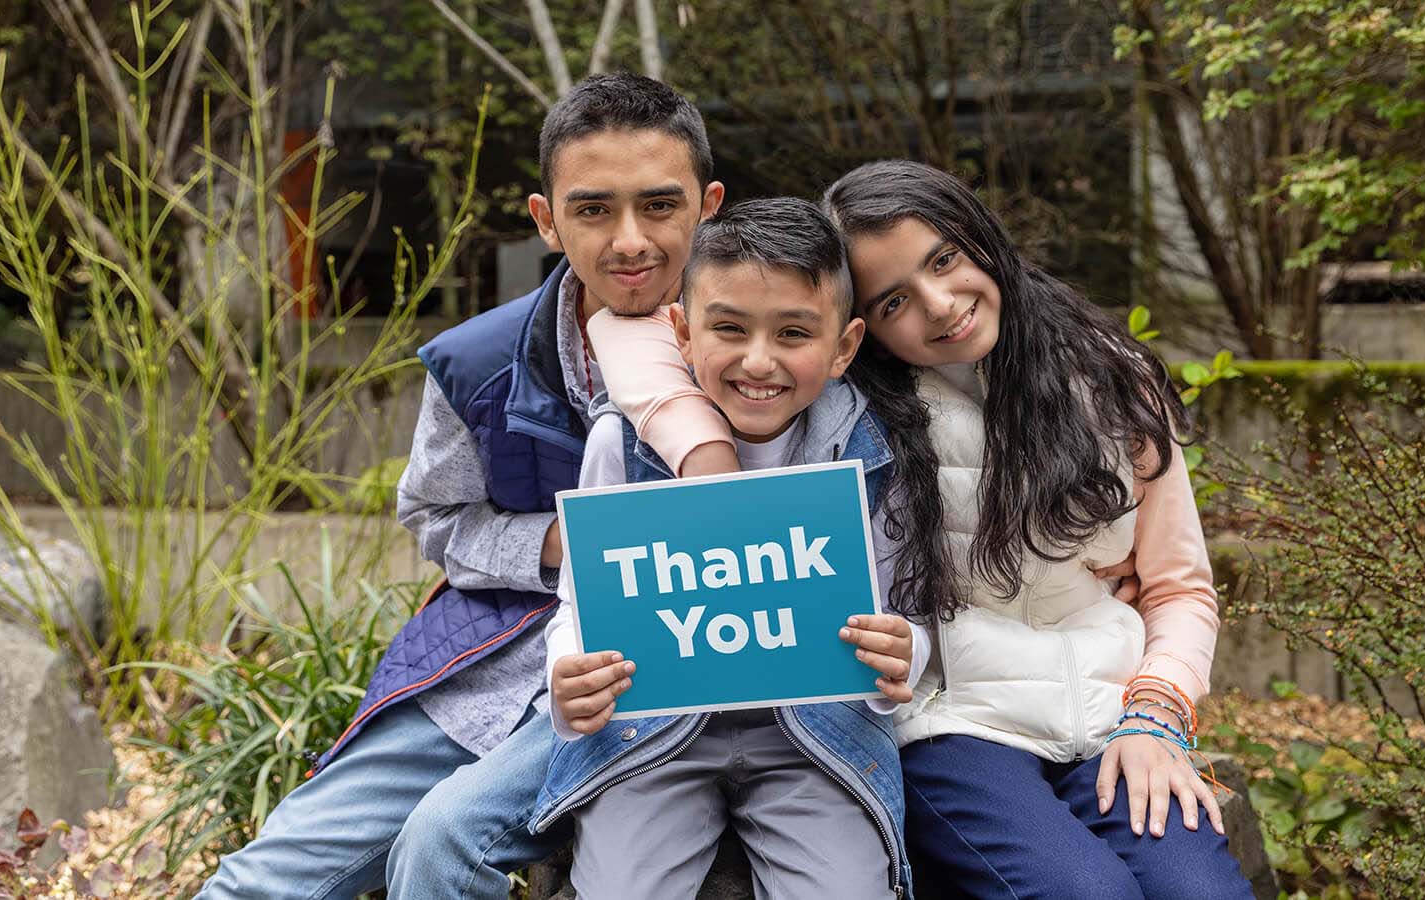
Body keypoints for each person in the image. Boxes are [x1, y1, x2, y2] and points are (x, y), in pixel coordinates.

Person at [586, 161, 1254, 899]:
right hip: (951, 720)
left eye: (945, 260)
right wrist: (702, 449)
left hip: (1109, 711)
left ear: (981, 237)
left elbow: (1180, 587)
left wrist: (1156, 718)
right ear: (858, 333)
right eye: (896, 298)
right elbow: (636, 337)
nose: (940, 307)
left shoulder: (1114, 380)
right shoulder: (858, 412)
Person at [195, 72, 723, 900]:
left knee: (443, 845)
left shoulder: (767, 346)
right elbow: (437, 517)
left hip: (670, 659)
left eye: (660, 206)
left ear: (709, 205)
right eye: (592, 209)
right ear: (545, 220)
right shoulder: (481, 361)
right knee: (262, 880)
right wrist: (560, 541)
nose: (630, 240)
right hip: (497, 659)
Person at [530, 198, 930, 899]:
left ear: (844, 345)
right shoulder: (620, 442)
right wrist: (569, 670)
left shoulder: (874, 453)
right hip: (653, 734)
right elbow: (580, 599)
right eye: (729, 328)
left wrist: (908, 650)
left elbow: (911, 608)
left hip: (813, 740)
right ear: (682, 333)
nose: (758, 360)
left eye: (794, 333)